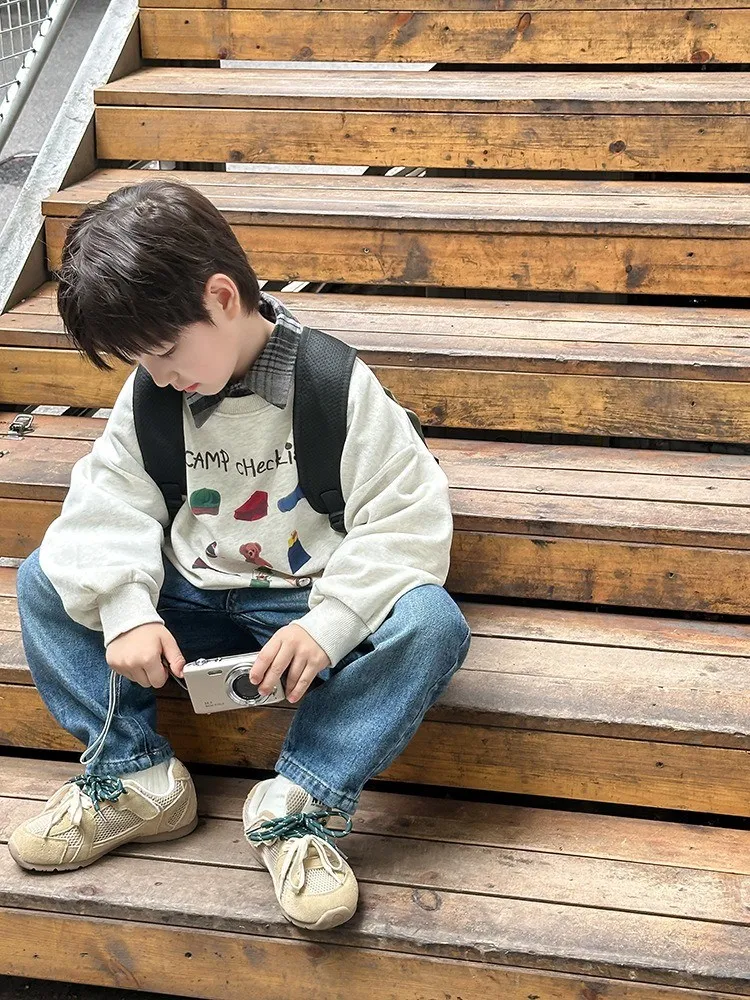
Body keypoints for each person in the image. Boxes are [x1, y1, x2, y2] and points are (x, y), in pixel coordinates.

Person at [9, 179, 471, 931]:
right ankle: (134, 777)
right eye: (141, 361)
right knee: (43, 579)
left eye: (165, 351)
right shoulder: (154, 393)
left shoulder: (334, 387)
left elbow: (406, 519)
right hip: (191, 595)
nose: (160, 375)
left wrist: (330, 623)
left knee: (430, 624)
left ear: (223, 298)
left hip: (304, 602)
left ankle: (299, 801)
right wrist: (125, 608)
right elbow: (107, 502)